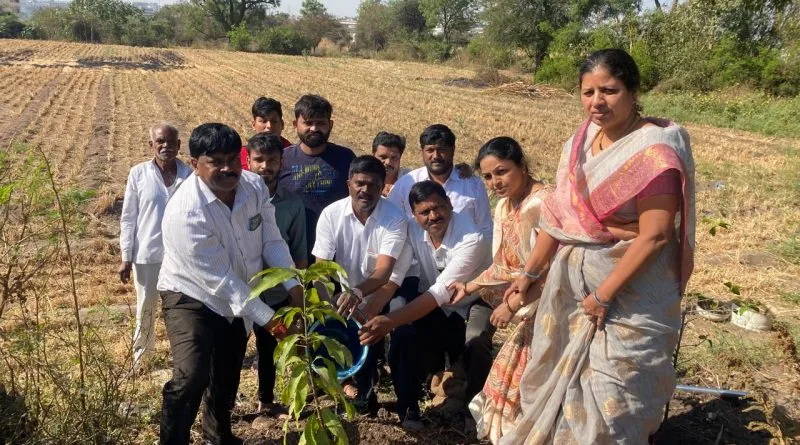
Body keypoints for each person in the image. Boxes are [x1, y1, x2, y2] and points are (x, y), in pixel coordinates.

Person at [497, 48, 695, 444]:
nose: (596, 102)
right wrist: (530, 272)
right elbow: (560, 217)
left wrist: (604, 295)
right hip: (570, 293)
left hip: (631, 297)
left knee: (614, 398)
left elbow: (655, 234)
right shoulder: (579, 144)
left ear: (634, 91)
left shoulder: (653, 150)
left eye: (610, 90)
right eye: (588, 92)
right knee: (559, 385)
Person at [157, 123, 304, 445]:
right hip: (191, 294)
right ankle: (173, 440)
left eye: (232, 160)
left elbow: (272, 239)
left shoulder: (253, 187)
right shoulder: (186, 213)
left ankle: (218, 435)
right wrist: (275, 324)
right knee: (192, 374)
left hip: (241, 291)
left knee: (227, 371)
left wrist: (295, 286)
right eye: (216, 161)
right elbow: (222, 282)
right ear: (195, 165)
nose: (228, 169)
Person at [359, 180, 492, 431]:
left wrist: (390, 320)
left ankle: (473, 412)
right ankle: (409, 406)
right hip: (439, 306)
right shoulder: (412, 230)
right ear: (414, 214)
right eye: (424, 212)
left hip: (474, 300)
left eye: (438, 208)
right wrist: (377, 308)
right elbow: (397, 275)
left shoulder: (472, 238)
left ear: (449, 204)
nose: (433, 216)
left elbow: (439, 292)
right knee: (404, 335)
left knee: (476, 342)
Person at [312, 155, 412, 415]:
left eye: (373, 185)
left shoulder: (394, 218)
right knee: (338, 329)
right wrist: (327, 306)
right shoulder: (331, 215)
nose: (365, 190)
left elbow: (384, 273)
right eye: (360, 183)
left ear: (382, 187)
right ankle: (345, 385)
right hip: (348, 288)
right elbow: (321, 270)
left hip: (387, 284)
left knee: (381, 330)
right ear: (349, 184)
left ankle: (401, 400)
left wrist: (358, 296)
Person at [119, 123, 192, 369]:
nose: (166, 147)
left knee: (183, 308)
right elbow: (128, 217)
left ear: (179, 146)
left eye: (171, 142)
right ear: (151, 145)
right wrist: (125, 256)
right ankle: (142, 358)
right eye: (160, 142)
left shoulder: (189, 175)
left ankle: (184, 358)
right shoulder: (138, 174)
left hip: (182, 256)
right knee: (146, 307)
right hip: (147, 254)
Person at [246, 133, 308, 418]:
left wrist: (299, 291)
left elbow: (298, 251)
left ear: (282, 163)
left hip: (280, 289)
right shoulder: (238, 199)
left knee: (279, 343)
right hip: (244, 287)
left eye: (272, 160)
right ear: (248, 161)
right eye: (259, 159)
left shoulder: (293, 205)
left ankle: (274, 400)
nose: (265, 166)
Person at [279, 94, 356, 260]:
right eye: (307, 122)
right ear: (295, 125)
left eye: (320, 123)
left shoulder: (346, 158)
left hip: (338, 249)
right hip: (293, 249)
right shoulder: (282, 159)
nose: (314, 128)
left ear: (330, 125)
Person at [388, 124, 493, 242]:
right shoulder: (405, 184)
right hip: (417, 258)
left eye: (442, 150)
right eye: (430, 150)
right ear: (422, 152)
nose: (436, 156)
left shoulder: (472, 184)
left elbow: (485, 229)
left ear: (453, 150)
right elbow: (390, 226)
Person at [240, 97, 291, 171]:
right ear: (254, 125)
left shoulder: (293, 154)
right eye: (264, 121)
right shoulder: (240, 155)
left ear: (282, 124)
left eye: (274, 121)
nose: (269, 126)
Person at [371, 131, 410, 197]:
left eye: (393, 158)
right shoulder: (363, 179)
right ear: (373, 156)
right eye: (383, 157)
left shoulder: (411, 181)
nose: (388, 162)